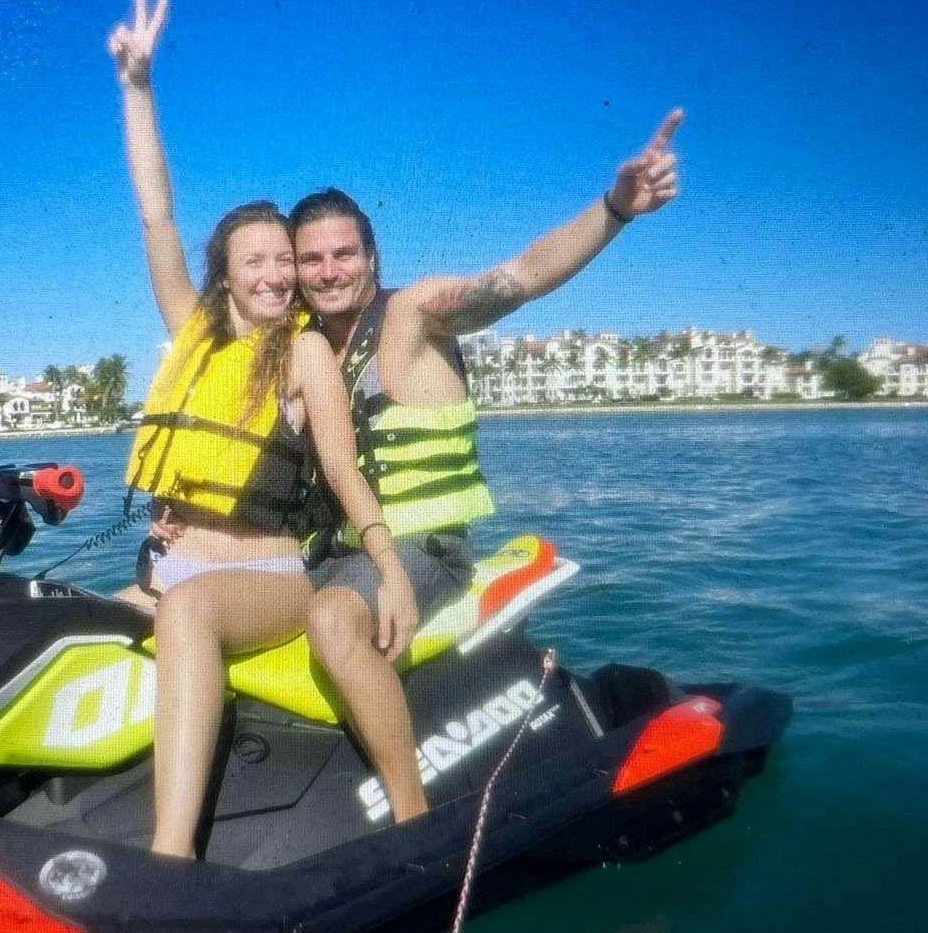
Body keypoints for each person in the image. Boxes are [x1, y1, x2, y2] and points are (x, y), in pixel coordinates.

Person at [289, 115, 683, 826]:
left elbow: (519, 279)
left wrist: (616, 209)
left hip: (422, 553)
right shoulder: (310, 353)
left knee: (331, 620)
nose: (328, 271)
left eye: (343, 254)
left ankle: (413, 823)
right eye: (311, 259)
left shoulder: (410, 317)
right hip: (339, 555)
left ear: (371, 260)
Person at [107, 0, 419, 860]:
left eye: (287, 261)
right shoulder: (192, 329)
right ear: (227, 275)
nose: (281, 276)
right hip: (171, 565)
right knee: (50, 621)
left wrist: (388, 569)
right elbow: (156, 216)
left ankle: (169, 860)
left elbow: (346, 473)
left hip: (267, 579)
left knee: (190, 612)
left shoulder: (305, 357)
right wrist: (138, 87)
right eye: (261, 262)